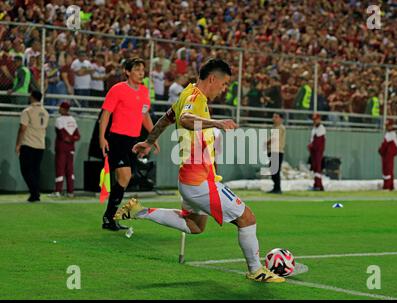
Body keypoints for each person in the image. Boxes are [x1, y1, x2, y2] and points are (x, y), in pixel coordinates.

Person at [116, 58, 285, 283]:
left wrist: (149, 141)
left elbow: (167, 119)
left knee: (194, 225)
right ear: (213, 79)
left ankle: (139, 211)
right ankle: (256, 270)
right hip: (200, 182)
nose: (224, 90)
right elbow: (184, 120)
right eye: (223, 84)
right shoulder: (195, 98)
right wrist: (216, 123)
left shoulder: (187, 93)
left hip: (189, 179)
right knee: (247, 218)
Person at [99, 57, 160, 231]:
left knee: (125, 180)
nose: (141, 73)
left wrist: (153, 137)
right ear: (127, 72)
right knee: (124, 177)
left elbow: (144, 116)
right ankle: (109, 218)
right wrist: (102, 138)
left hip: (133, 141)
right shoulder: (117, 89)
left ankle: (109, 218)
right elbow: (106, 115)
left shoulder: (143, 91)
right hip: (117, 138)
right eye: (137, 69)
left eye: (143, 69)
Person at [15, 90, 49, 202]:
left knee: (25, 169)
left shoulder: (27, 111)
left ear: (32, 97)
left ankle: (35, 193)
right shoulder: (45, 112)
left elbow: (22, 129)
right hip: (40, 145)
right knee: (35, 170)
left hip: (28, 144)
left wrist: (18, 144)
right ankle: (35, 193)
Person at [51, 102, 80, 197]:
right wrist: (72, 139)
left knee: (60, 169)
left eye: (60, 107)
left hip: (61, 148)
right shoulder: (73, 120)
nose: (59, 109)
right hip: (71, 148)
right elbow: (77, 136)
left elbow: (63, 136)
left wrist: (69, 138)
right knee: (69, 170)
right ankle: (70, 192)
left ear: (63, 109)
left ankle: (58, 191)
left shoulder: (59, 120)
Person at [266, 112, 286, 194]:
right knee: (273, 170)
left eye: (276, 117)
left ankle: (277, 188)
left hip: (277, 151)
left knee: (275, 170)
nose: (274, 118)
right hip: (272, 150)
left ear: (281, 119)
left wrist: (266, 143)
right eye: (273, 116)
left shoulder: (280, 128)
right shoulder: (274, 127)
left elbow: (274, 138)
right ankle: (275, 187)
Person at [378, 119, 397, 190]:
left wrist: (380, 151)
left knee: (387, 170)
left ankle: (387, 186)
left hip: (388, 155)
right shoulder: (391, 134)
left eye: (388, 126)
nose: (387, 127)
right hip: (387, 155)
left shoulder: (391, 134)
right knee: (389, 170)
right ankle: (390, 186)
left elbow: (384, 145)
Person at [308, 113, 325, 191]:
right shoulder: (314, 128)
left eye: (316, 119)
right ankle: (317, 184)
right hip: (314, 151)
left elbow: (319, 141)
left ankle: (318, 185)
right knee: (315, 167)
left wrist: (312, 146)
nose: (314, 121)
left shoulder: (321, 128)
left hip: (318, 151)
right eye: (313, 119)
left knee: (318, 167)